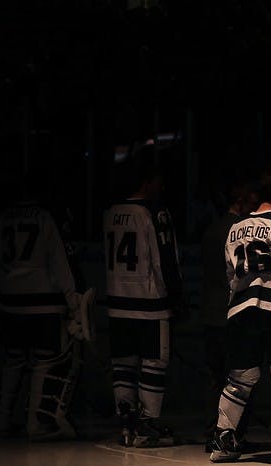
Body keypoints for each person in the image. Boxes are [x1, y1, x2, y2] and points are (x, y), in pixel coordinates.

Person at [208, 165, 271, 466]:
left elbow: (230, 274)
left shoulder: (235, 227)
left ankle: (224, 439)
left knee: (239, 380)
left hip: (241, 310)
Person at [0, 168, 84, 440]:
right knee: (43, 362)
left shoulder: (2, 218)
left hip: (7, 301)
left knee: (13, 361)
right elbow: (59, 262)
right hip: (42, 302)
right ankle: (34, 422)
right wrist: (73, 301)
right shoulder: (45, 217)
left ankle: (3, 419)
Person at [103, 145, 185, 447]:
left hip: (117, 302)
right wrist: (176, 297)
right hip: (150, 303)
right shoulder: (154, 212)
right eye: (157, 181)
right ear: (147, 182)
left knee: (123, 365)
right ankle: (147, 423)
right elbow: (165, 259)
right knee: (154, 363)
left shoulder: (111, 211)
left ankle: (127, 423)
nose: (161, 186)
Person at [200, 176, 260, 450]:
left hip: (211, 313)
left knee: (217, 378)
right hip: (233, 312)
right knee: (240, 378)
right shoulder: (241, 230)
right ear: (240, 200)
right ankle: (232, 433)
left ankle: (215, 430)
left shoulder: (211, 229)